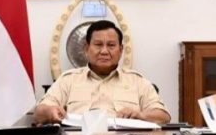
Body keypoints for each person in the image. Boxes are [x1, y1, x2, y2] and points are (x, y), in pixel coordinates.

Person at [34, 20, 170, 124]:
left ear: (121, 50)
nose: (104, 51)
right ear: (86, 48)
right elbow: (38, 113)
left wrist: (141, 115)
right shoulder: (68, 80)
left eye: (111, 45)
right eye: (98, 45)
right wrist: (49, 111)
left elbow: (163, 116)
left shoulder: (138, 81)